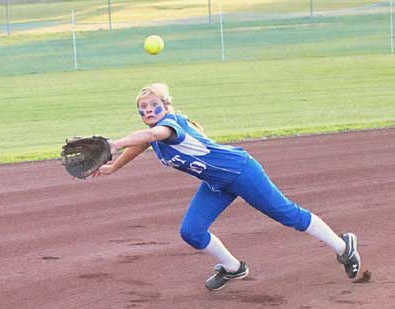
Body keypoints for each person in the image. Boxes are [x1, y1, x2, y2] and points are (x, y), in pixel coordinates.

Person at [94, 83, 361, 291]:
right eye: (143, 107)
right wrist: (113, 166)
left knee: (286, 214)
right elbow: (143, 143)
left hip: (242, 171)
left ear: (167, 106)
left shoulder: (172, 126)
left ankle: (343, 247)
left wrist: (114, 143)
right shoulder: (153, 134)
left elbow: (152, 135)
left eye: (154, 104)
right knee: (191, 231)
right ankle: (233, 267)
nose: (148, 110)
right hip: (217, 183)